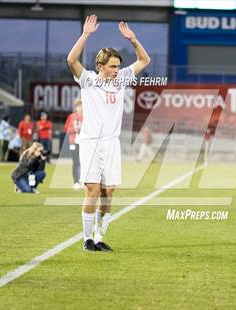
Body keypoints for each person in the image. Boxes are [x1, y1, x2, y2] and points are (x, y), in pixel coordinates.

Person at [67, 15, 150, 251]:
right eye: (112, 66)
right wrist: (86, 35)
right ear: (101, 66)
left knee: (108, 192)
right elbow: (71, 59)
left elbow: (144, 59)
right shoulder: (88, 80)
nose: (116, 69)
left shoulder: (122, 78)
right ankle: (87, 240)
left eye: (118, 65)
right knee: (92, 190)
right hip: (91, 142)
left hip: (111, 144)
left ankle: (100, 237)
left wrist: (133, 39)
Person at [65, 98, 83, 190]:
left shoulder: (86, 116)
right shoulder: (71, 117)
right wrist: (75, 130)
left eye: (81, 105)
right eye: (78, 106)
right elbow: (67, 129)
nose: (80, 108)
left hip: (84, 142)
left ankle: (83, 180)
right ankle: (75, 181)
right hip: (74, 142)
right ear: (76, 107)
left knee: (84, 162)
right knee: (75, 162)